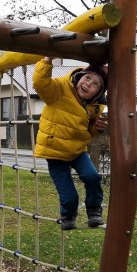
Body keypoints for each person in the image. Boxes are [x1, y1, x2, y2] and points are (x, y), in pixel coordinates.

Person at [32, 57, 109, 230]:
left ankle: (94, 211)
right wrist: (47, 61)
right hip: (55, 151)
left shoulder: (95, 107)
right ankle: (68, 216)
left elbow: (90, 129)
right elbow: (40, 83)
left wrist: (97, 128)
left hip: (77, 150)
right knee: (68, 193)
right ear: (79, 76)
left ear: (98, 93)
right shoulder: (59, 89)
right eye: (87, 78)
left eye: (96, 85)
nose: (88, 84)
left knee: (92, 176)